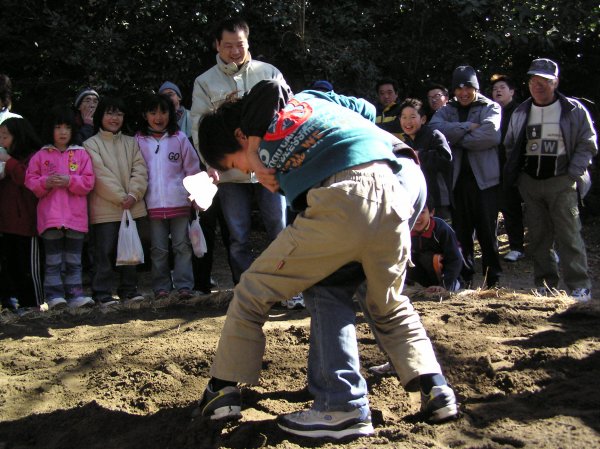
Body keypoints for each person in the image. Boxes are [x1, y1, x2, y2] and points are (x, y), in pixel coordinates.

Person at [194, 80, 458, 439]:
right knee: (385, 300)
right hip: (400, 179)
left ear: (241, 136)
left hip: (348, 193)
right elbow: (364, 109)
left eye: (234, 164)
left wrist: (257, 150)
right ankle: (436, 388)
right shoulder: (311, 99)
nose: (248, 172)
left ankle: (231, 390)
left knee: (264, 288)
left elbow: (269, 86)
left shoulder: (260, 143)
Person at [190, 17, 302, 309]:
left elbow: (288, 113)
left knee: (279, 228)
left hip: (269, 166)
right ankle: (246, 294)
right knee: (238, 236)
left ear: (248, 42)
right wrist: (209, 162)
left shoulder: (269, 72)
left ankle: (288, 290)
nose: (234, 51)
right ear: (217, 45)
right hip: (230, 172)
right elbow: (197, 126)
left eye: (239, 45)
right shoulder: (204, 82)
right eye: (228, 46)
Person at [504, 58, 597, 302]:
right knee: (538, 238)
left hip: (562, 181)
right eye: (534, 80)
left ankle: (579, 286)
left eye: (544, 80)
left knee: (569, 235)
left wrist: (573, 174)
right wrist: (519, 177)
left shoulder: (573, 109)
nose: (538, 85)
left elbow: (588, 143)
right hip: (530, 183)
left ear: (555, 82)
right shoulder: (522, 110)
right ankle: (545, 285)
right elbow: (511, 144)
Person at [369, 199, 463, 375]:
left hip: (445, 277)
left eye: (422, 212)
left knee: (434, 259)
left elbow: (456, 260)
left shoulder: (442, 230)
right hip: (416, 283)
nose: (418, 218)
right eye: (414, 213)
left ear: (432, 212)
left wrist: (445, 285)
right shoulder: (403, 228)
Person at [429, 65, 502, 288]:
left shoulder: (490, 106)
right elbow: (435, 130)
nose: (463, 92)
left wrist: (455, 138)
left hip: (485, 181)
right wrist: (468, 127)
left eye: (468, 87)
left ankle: (493, 280)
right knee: (462, 233)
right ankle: (465, 278)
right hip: (457, 181)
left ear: (475, 88)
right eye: (459, 88)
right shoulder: (447, 109)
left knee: (487, 232)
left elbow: (490, 135)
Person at [25, 106, 95, 309]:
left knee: (74, 261)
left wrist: (69, 181)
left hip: (76, 218)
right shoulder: (40, 156)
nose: (63, 132)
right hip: (50, 218)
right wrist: (46, 183)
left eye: (67, 127)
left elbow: (88, 182)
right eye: (58, 127)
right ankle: (55, 297)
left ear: (73, 130)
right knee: (53, 261)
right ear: (50, 130)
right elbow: (31, 181)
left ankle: (75, 296)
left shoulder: (81, 155)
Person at [84, 97, 148, 306]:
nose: (114, 118)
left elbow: (140, 171)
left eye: (119, 114)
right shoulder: (90, 144)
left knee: (130, 251)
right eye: (110, 113)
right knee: (104, 251)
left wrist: (133, 195)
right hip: (105, 210)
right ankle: (101, 292)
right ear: (100, 116)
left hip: (132, 207)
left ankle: (129, 289)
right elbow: (99, 175)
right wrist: (123, 198)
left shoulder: (132, 142)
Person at [136, 93, 200, 300]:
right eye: (153, 112)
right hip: (152, 204)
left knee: (182, 246)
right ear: (145, 115)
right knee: (158, 249)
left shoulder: (179, 138)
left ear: (170, 114)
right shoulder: (138, 141)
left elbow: (192, 169)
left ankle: (184, 286)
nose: (158, 117)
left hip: (180, 202)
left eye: (163, 111)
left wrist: (195, 195)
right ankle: (161, 287)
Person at [0, 117, 43, 313]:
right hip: (7, 223)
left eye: (5, 137)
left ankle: (33, 302)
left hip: (27, 223)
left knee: (28, 267)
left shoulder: (34, 157)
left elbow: (25, 179)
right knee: (13, 266)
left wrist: (8, 162)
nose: (1, 141)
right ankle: (17, 302)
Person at [398, 98, 453, 220]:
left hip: (439, 199)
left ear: (423, 119)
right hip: (417, 198)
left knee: (442, 233)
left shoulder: (434, 134)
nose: (408, 121)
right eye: (404, 117)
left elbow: (446, 159)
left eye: (412, 117)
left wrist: (419, 155)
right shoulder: (404, 141)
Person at [490, 74, 525, 263]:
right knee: (495, 209)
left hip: (515, 168)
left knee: (513, 209)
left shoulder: (520, 111)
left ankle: (518, 247)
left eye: (502, 87)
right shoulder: (490, 111)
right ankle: (495, 246)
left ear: (512, 91)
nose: (497, 91)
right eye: (495, 89)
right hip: (494, 168)